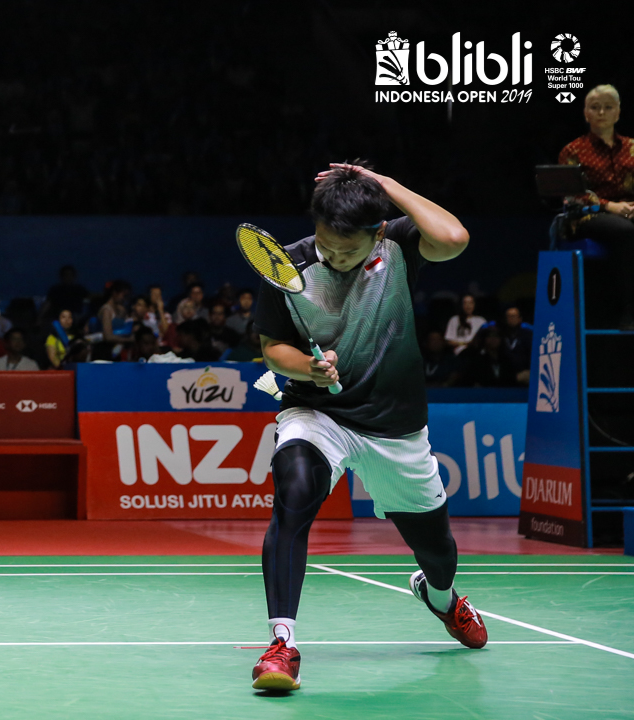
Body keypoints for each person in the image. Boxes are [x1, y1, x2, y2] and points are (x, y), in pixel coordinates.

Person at [250, 161, 486, 692]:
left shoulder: (398, 244)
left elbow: (454, 238)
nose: (334, 258)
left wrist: (386, 185)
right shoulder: (285, 264)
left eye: (347, 251)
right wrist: (308, 368)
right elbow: (272, 348)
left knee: (438, 552)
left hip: (394, 425)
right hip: (320, 414)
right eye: (326, 245)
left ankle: (441, 597)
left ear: (377, 232)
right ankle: (281, 645)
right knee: (294, 490)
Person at [559, 84, 634, 329]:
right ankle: (628, 311)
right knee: (625, 230)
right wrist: (609, 206)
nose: (601, 112)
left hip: (629, 211)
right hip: (587, 216)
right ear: (586, 113)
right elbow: (572, 194)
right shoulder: (573, 151)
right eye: (595, 107)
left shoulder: (632, 148)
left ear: (618, 113)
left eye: (608, 107)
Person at [496, 306, 532, 384]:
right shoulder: (500, 335)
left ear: (520, 318)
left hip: (524, 375)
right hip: (504, 376)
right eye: (508, 316)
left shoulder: (528, 335)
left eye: (513, 316)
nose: (511, 318)